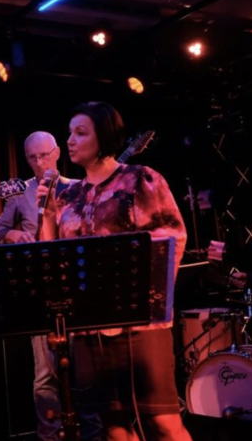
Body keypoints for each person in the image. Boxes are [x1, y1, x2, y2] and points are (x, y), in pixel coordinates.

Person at [42, 102, 191, 441]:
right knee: (113, 425)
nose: (70, 140)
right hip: (89, 326)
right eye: (69, 133)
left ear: (104, 136)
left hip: (140, 324)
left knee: (163, 422)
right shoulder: (70, 195)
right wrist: (48, 214)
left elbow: (171, 239)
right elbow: (52, 256)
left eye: (81, 133)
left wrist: (147, 297)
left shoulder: (138, 179)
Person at [0, 131, 101, 440]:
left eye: (44, 155)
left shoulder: (79, 187)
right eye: (33, 158)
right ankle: (49, 435)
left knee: (85, 370)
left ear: (57, 153)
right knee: (45, 373)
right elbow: (0, 231)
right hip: (40, 289)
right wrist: (16, 235)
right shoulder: (21, 192)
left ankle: (92, 433)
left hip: (77, 288)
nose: (39, 163)